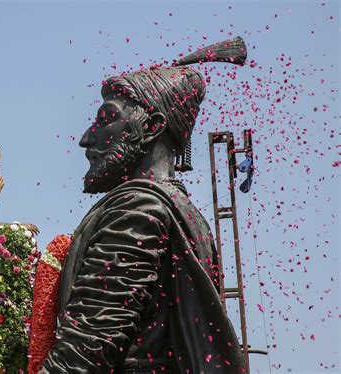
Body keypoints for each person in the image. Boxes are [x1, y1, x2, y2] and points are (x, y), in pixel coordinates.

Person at [40, 37, 247, 373]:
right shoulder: (187, 213)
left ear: (151, 127)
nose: (87, 138)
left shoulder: (138, 209)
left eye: (106, 118)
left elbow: (82, 353)